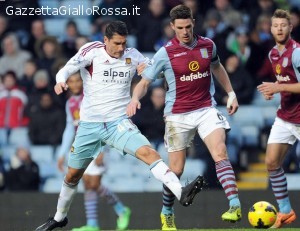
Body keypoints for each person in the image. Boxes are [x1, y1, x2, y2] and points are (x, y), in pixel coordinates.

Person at [35, 20, 203, 231]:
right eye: (117, 43)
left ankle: (181, 193)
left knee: (148, 153)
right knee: (72, 175)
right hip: (89, 125)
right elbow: (66, 69)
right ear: (105, 40)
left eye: (124, 43)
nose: (121, 48)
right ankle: (60, 217)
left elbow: (158, 74)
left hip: (118, 123)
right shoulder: (92, 51)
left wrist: (148, 70)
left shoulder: (133, 54)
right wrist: (60, 81)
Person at [127, 5, 242, 230]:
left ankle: (234, 204)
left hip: (206, 109)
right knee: (176, 170)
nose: (185, 32)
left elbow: (217, 68)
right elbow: (145, 82)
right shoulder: (165, 52)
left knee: (220, 152)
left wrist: (231, 93)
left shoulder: (208, 45)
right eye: (180, 28)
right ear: (172, 27)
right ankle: (167, 213)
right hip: (177, 115)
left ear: (193, 23)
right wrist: (134, 99)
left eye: (188, 26)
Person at [57, 72, 131, 231]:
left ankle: (121, 209)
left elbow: (102, 123)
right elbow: (70, 128)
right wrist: (61, 153)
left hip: (98, 144)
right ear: (67, 84)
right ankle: (92, 224)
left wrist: (102, 150)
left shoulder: (92, 98)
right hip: (82, 145)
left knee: (94, 183)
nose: (76, 84)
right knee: (87, 184)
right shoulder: (70, 102)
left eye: (78, 80)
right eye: (72, 81)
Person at [257, 9, 299, 228]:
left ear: (290, 28)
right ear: (270, 28)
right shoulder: (272, 53)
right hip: (285, 116)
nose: (279, 29)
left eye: (284, 25)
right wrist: (273, 90)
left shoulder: (297, 52)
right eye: (276, 25)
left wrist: (278, 86)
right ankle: (285, 212)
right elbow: (285, 82)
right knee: (272, 163)